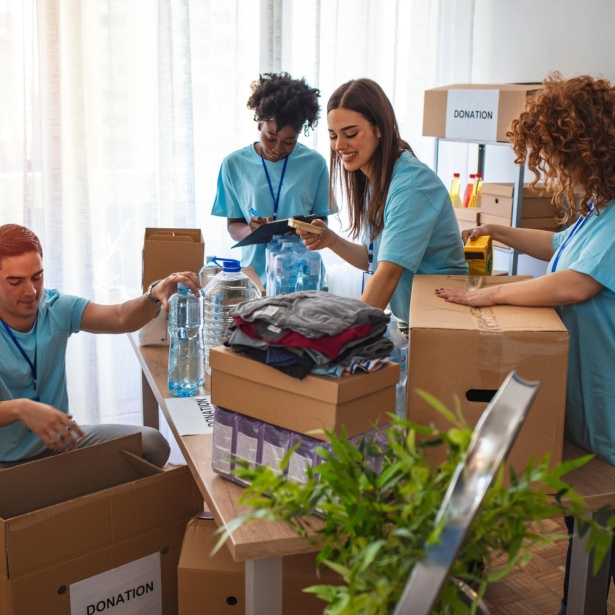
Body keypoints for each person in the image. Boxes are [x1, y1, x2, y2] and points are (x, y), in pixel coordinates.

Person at [434, 73, 615, 615]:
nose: (554, 173)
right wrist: (502, 232)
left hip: (606, 392)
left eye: (557, 159)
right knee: (587, 511)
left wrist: (488, 297)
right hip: (583, 388)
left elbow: (574, 282)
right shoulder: (598, 211)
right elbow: (562, 247)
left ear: (587, 150)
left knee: (601, 510)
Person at [0, 223, 201, 469]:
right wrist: (20, 409)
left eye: (37, 277)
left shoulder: (55, 307)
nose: (30, 290)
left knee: (152, 444)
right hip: (4, 464)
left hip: (59, 447)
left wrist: (153, 294)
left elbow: (120, 317)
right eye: (15, 282)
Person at [295, 77, 467, 326]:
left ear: (380, 128)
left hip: (442, 322)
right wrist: (331, 240)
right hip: (415, 320)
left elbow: (387, 275)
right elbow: (372, 257)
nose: (340, 145)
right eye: (333, 136)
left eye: (351, 133)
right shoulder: (375, 180)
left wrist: (343, 337)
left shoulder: (411, 185)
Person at [211, 71, 332, 288]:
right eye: (271, 137)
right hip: (254, 281)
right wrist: (251, 231)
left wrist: (305, 229)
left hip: (304, 280)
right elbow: (233, 226)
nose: (278, 149)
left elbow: (323, 223)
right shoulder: (233, 164)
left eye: (289, 141)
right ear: (259, 123)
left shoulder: (315, 164)